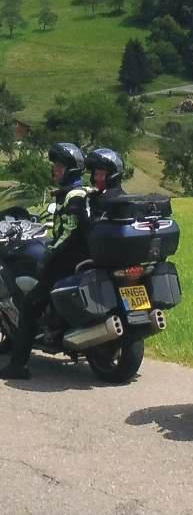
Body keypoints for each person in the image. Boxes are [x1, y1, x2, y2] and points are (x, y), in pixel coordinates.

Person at [5, 141, 90, 379]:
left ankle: (18, 366)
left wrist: (50, 252)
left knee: (29, 305)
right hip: (81, 257)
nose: (55, 170)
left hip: (66, 261)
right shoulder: (82, 191)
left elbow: (70, 231)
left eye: (60, 166)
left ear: (71, 170)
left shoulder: (73, 195)